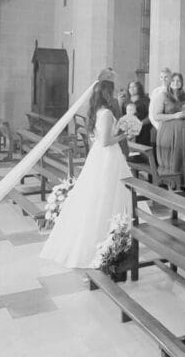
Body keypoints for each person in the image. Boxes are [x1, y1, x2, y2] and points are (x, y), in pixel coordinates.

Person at [40, 80, 131, 268]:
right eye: (112, 92)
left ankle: (116, 237)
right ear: (106, 94)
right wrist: (125, 135)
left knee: (107, 195)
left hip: (102, 157)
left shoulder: (97, 112)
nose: (114, 95)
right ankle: (104, 238)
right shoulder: (105, 113)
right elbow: (106, 141)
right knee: (105, 197)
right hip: (108, 158)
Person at [151, 73, 185, 191]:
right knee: (171, 157)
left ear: (182, 82)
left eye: (178, 81)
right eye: (173, 81)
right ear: (169, 82)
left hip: (184, 132)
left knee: (184, 155)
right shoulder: (163, 95)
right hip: (168, 131)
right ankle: (171, 183)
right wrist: (174, 116)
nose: (176, 83)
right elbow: (156, 116)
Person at [127, 81, 153, 146]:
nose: (131, 88)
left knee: (141, 152)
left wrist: (140, 123)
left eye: (134, 86)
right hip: (128, 132)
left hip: (143, 131)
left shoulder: (146, 100)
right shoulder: (126, 101)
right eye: (130, 87)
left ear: (139, 88)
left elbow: (150, 116)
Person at [147, 68, 172, 136]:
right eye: (161, 77)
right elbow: (151, 112)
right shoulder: (156, 92)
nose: (163, 79)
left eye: (166, 77)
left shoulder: (175, 91)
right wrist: (158, 126)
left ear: (171, 78)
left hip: (172, 126)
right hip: (158, 126)